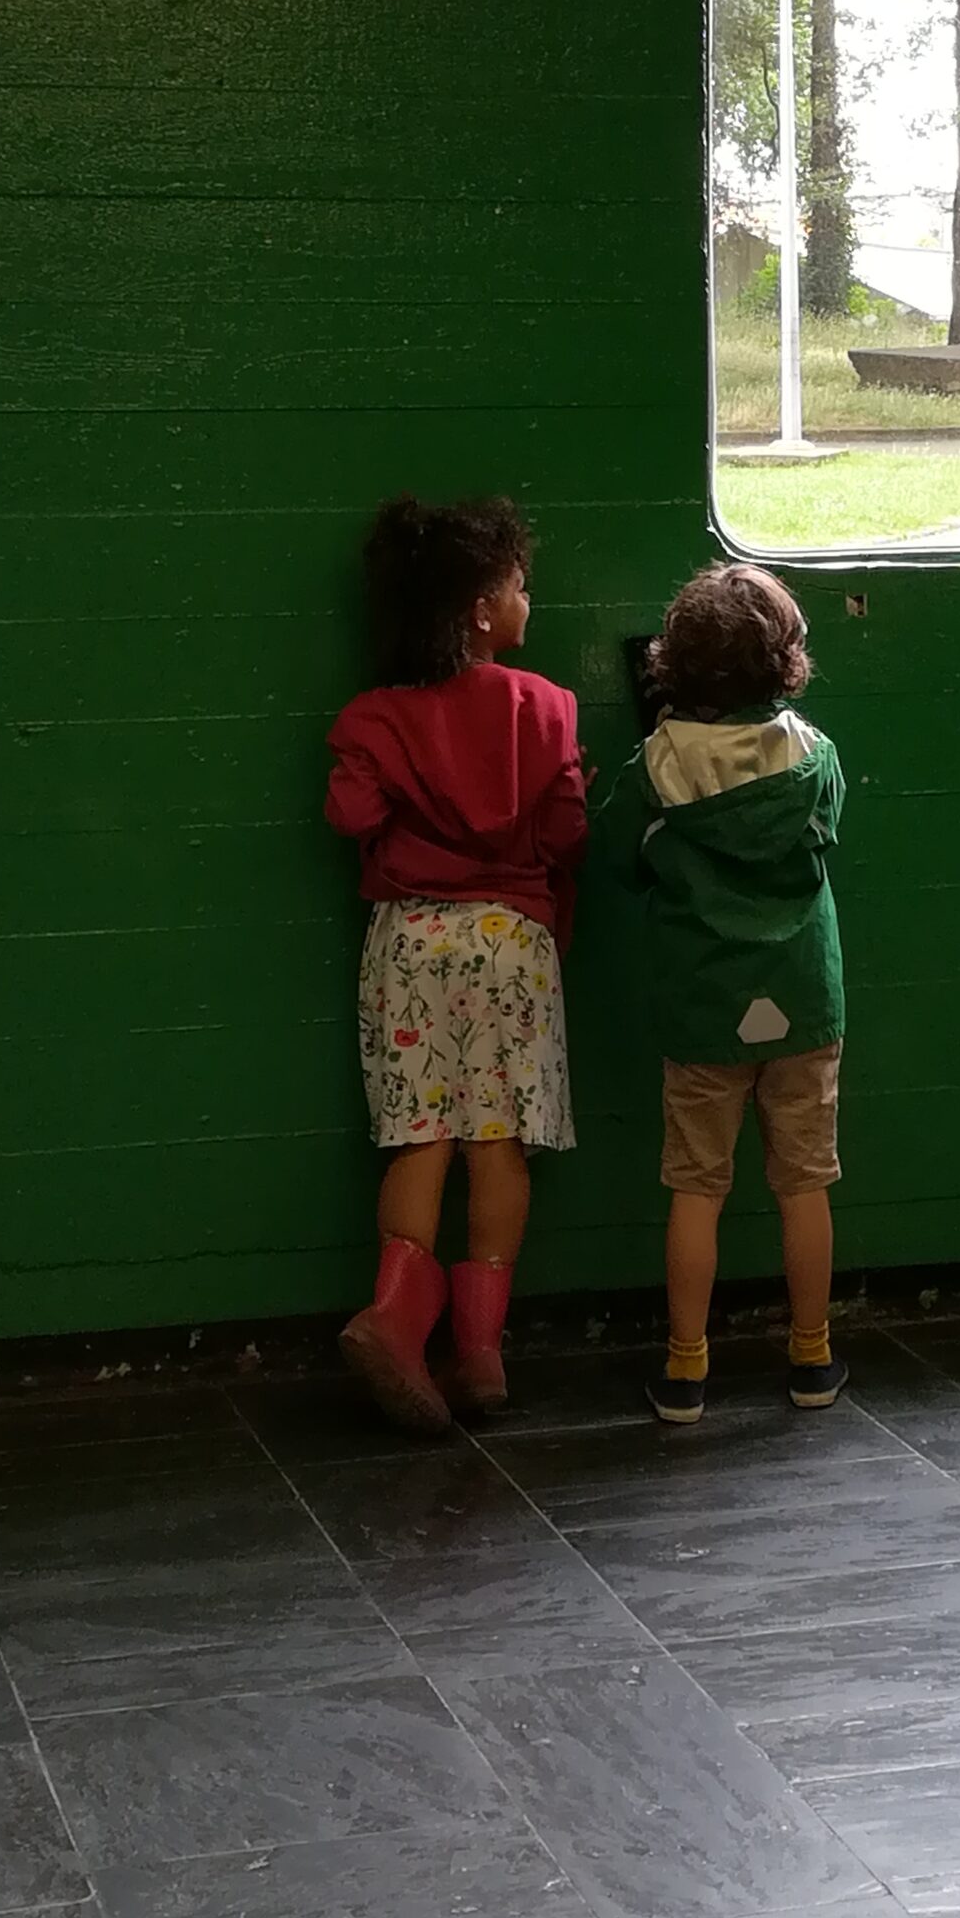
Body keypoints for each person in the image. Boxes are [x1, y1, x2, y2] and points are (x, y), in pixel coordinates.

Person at [325, 496, 586, 1429]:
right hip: (510, 947)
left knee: (421, 1134)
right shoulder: (546, 708)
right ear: (482, 610)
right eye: (518, 585)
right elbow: (566, 834)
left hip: (412, 943)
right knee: (497, 1142)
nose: (527, 599)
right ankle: (480, 1353)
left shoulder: (373, 718)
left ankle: (396, 1319)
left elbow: (351, 817)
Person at [601, 564, 849, 1422]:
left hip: (702, 1004)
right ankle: (812, 1357)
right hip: (803, 1001)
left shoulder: (656, 766)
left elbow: (621, 858)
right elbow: (828, 830)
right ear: (785, 662)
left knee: (696, 1187)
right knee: (804, 1183)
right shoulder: (814, 756)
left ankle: (686, 1371)